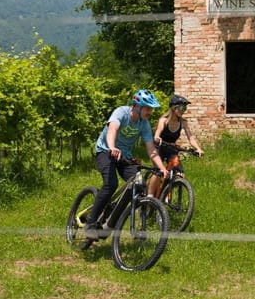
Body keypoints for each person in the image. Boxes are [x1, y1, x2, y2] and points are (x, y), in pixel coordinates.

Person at [84, 89, 168, 239]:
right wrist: (112, 147)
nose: (150, 112)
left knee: (139, 185)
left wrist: (161, 168)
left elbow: (151, 148)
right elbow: (112, 130)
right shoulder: (121, 112)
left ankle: (110, 224)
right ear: (137, 106)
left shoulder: (144, 124)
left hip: (125, 156)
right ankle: (90, 223)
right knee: (110, 184)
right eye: (148, 108)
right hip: (105, 151)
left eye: (151, 109)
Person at [147, 94, 204, 197]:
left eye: (185, 108)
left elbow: (190, 137)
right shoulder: (163, 120)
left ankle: (165, 193)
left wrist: (198, 148)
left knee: (179, 174)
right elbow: (157, 135)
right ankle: (149, 197)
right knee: (158, 171)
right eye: (182, 107)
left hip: (171, 148)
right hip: (159, 147)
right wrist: (157, 138)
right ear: (174, 108)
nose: (184, 110)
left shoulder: (183, 122)